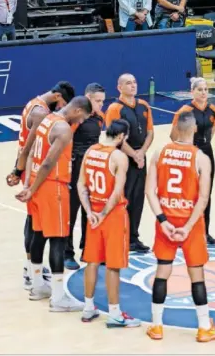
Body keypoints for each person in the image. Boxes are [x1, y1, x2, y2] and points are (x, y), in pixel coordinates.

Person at [145, 111, 215, 342]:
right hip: (191, 223)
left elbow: (149, 191)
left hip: (166, 221)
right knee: (196, 275)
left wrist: (163, 221)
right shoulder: (201, 157)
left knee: (162, 271)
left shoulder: (160, 152)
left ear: (176, 127)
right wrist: (188, 226)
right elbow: (203, 199)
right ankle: (203, 327)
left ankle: (157, 326)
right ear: (195, 129)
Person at [16, 96, 93, 312]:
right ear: (77, 111)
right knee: (59, 239)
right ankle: (58, 298)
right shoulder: (63, 129)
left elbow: (31, 152)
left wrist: (30, 184)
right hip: (53, 187)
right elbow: (49, 162)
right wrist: (32, 187)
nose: (82, 121)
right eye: (84, 117)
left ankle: (38, 284)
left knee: (38, 234)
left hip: (39, 187)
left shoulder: (47, 119)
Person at [6, 81, 75, 290]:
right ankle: (29, 270)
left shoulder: (35, 104)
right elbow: (28, 147)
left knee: (34, 223)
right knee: (33, 224)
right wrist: (18, 171)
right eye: (63, 103)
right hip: (33, 169)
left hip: (30, 166)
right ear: (56, 97)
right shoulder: (40, 113)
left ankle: (31, 269)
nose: (63, 109)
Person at [77, 119, 141, 327]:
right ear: (122, 137)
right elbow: (116, 192)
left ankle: (88, 308)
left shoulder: (90, 151)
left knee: (92, 261)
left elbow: (81, 185)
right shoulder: (119, 156)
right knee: (113, 264)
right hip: (112, 215)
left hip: (93, 213)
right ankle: (114, 313)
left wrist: (89, 212)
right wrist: (104, 214)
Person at [105, 73, 154, 253]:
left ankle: (133, 236)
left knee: (138, 198)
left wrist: (142, 153)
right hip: (123, 158)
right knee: (123, 197)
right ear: (119, 88)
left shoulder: (144, 105)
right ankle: (120, 236)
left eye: (134, 82)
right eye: (128, 83)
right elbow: (115, 137)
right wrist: (134, 154)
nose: (133, 86)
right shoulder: (114, 108)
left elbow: (150, 132)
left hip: (141, 156)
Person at [171, 78, 215, 244]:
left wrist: (203, 148)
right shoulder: (185, 111)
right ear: (192, 92)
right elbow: (173, 135)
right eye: (200, 89)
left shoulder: (213, 109)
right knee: (188, 193)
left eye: (206, 89)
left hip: (206, 152)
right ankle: (184, 229)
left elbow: (212, 131)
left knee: (206, 193)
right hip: (189, 153)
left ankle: (205, 231)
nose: (204, 92)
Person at [65, 83, 106, 270]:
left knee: (90, 208)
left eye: (103, 102)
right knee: (72, 210)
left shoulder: (100, 118)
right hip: (74, 166)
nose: (101, 105)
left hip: (92, 166)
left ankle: (88, 248)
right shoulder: (76, 119)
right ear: (88, 99)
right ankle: (67, 252)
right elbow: (65, 143)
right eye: (98, 101)